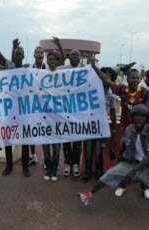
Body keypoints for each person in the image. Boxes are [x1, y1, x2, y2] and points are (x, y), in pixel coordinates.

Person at [77, 104, 149, 220]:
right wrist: (119, 160)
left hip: (148, 167)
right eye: (136, 115)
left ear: (146, 119)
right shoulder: (129, 129)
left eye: (142, 116)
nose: (139, 118)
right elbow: (124, 146)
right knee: (109, 174)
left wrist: (132, 172)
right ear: (133, 117)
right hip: (131, 163)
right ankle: (88, 195)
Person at [87, 54, 149, 199]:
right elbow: (106, 80)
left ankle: (145, 187)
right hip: (126, 132)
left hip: (142, 133)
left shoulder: (144, 92)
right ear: (127, 78)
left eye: (137, 78)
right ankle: (121, 184)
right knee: (124, 159)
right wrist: (94, 67)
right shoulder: (122, 90)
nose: (135, 80)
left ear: (139, 80)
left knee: (144, 159)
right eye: (132, 78)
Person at [0, 15, 31, 177]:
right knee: (7, 137)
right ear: (14, 55)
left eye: (21, 54)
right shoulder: (8, 65)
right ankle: (9, 165)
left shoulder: (28, 69)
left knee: (25, 139)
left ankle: (25, 167)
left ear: (23, 56)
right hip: (9, 109)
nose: (18, 56)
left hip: (24, 109)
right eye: (16, 54)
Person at [81, 67, 117, 182]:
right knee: (88, 151)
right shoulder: (92, 90)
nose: (107, 77)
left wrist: (115, 127)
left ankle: (99, 172)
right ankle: (87, 173)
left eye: (109, 75)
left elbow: (112, 112)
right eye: (104, 74)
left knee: (98, 152)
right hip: (89, 124)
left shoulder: (112, 95)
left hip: (101, 126)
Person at [57, 49, 84, 177]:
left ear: (80, 58)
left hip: (78, 111)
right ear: (70, 57)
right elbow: (50, 74)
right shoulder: (63, 69)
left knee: (78, 140)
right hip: (66, 110)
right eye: (73, 55)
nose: (75, 57)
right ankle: (67, 163)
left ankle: (76, 164)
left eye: (77, 55)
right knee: (67, 139)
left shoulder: (85, 70)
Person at [42, 50, 62, 181]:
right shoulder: (41, 74)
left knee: (56, 146)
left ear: (57, 61)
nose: (52, 61)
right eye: (50, 59)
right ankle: (48, 169)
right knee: (45, 146)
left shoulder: (62, 75)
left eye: (54, 59)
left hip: (58, 117)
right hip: (44, 117)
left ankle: (54, 170)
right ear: (47, 61)